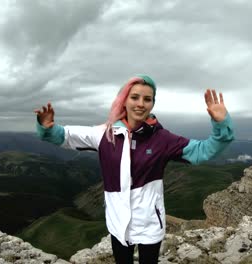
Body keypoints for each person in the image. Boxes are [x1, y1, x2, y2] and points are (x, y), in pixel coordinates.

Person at [34, 74, 234, 264]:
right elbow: (66, 136)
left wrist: (220, 124)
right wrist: (48, 128)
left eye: (147, 99)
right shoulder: (106, 134)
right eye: (135, 97)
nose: (140, 103)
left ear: (152, 104)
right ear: (124, 100)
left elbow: (202, 151)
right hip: (117, 224)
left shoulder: (162, 139)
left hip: (150, 225)